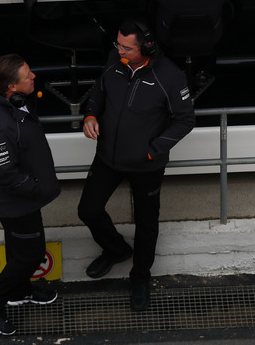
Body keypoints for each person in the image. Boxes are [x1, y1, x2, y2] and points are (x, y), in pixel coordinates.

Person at [78, 19, 195, 311]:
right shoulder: (114, 60)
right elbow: (99, 90)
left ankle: (140, 277)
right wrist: (90, 115)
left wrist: (153, 151)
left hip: (146, 164)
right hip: (108, 156)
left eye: (127, 47)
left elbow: (185, 119)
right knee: (88, 210)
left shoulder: (169, 75)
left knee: (146, 224)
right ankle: (117, 249)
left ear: (147, 46)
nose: (120, 51)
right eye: (117, 44)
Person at [0, 54, 61, 336]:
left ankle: (20, 290)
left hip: (23, 197)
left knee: (18, 249)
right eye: (27, 76)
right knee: (31, 255)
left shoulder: (10, 101)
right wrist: (34, 188)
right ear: (11, 87)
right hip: (18, 202)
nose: (33, 77)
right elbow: (4, 174)